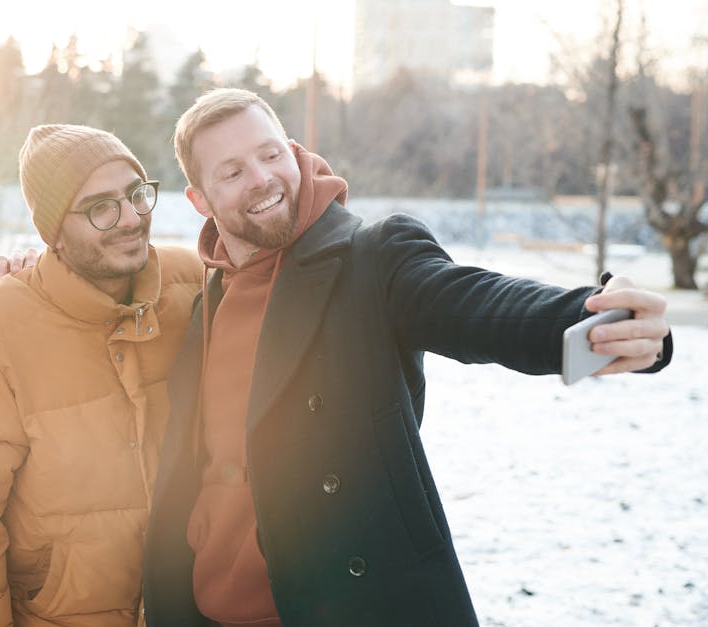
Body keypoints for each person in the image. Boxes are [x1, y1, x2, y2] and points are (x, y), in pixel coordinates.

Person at [141, 88, 674, 627]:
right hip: (210, 613)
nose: (261, 178)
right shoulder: (206, 303)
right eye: (231, 172)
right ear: (201, 201)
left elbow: (477, 304)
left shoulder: (372, 258)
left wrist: (600, 320)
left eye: (270, 153)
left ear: (294, 150)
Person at [0, 124, 202, 626]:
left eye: (136, 195)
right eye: (100, 207)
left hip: (189, 607)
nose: (131, 219)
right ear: (53, 232)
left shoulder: (194, 284)